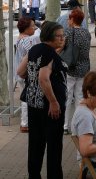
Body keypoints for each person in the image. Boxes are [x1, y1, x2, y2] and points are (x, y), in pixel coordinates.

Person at [17, 22, 67, 179]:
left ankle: (34, 175)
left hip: (34, 104)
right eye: (59, 36)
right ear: (50, 36)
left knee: (35, 144)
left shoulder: (34, 49)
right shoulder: (49, 54)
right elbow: (44, 79)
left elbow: (20, 71)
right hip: (49, 108)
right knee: (53, 145)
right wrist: (53, 101)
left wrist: (31, 76)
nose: (62, 38)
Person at [63, 9, 91, 135]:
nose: (68, 21)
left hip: (70, 67)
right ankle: (77, 126)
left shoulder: (68, 32)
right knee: (80, 97)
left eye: (69, 18)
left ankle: (64, 125)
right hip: (84, 67)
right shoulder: (86, 33)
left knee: (67, 96)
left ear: (73, 19)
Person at [14, 17, 40, 133]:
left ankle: (25, 123)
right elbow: (34, 53)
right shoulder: (27, 41)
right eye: (32, 26)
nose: (34, 28)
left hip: (20, 73)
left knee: (24, 97)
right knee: (26, 98)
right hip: (25, 74)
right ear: (26, 28)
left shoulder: (20, 39)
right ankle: (25, 123)